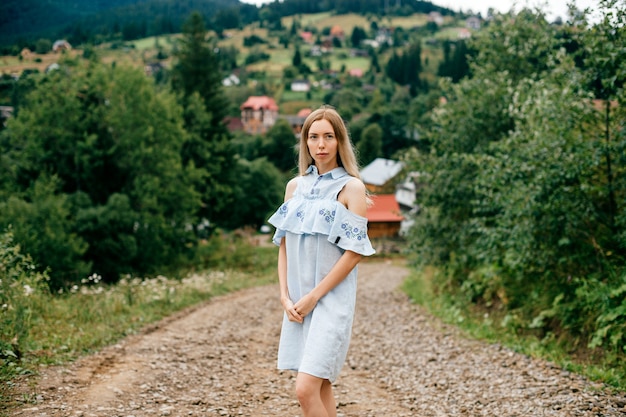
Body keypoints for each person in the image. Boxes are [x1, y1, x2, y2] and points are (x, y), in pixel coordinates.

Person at [267, 105, 375, 417]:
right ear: (306, 143)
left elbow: (354, 252)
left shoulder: (350, 188)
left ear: (340, 141)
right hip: (300, 302)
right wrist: (285, 296)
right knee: (321, 385)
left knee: (305, 389)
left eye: (329, 136)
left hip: (330, 301)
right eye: (313, 137)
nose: (321, 144)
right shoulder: (295, 187)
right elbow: (283, 245)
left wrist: (315, 296)